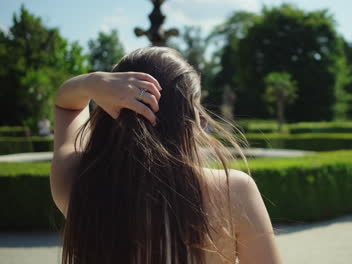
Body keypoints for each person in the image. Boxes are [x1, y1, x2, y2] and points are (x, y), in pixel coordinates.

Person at [50, 47, 282, 264]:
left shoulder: (77, 183)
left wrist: (93, 82)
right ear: (189, 116)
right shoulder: (234, 191)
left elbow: (66, 106)